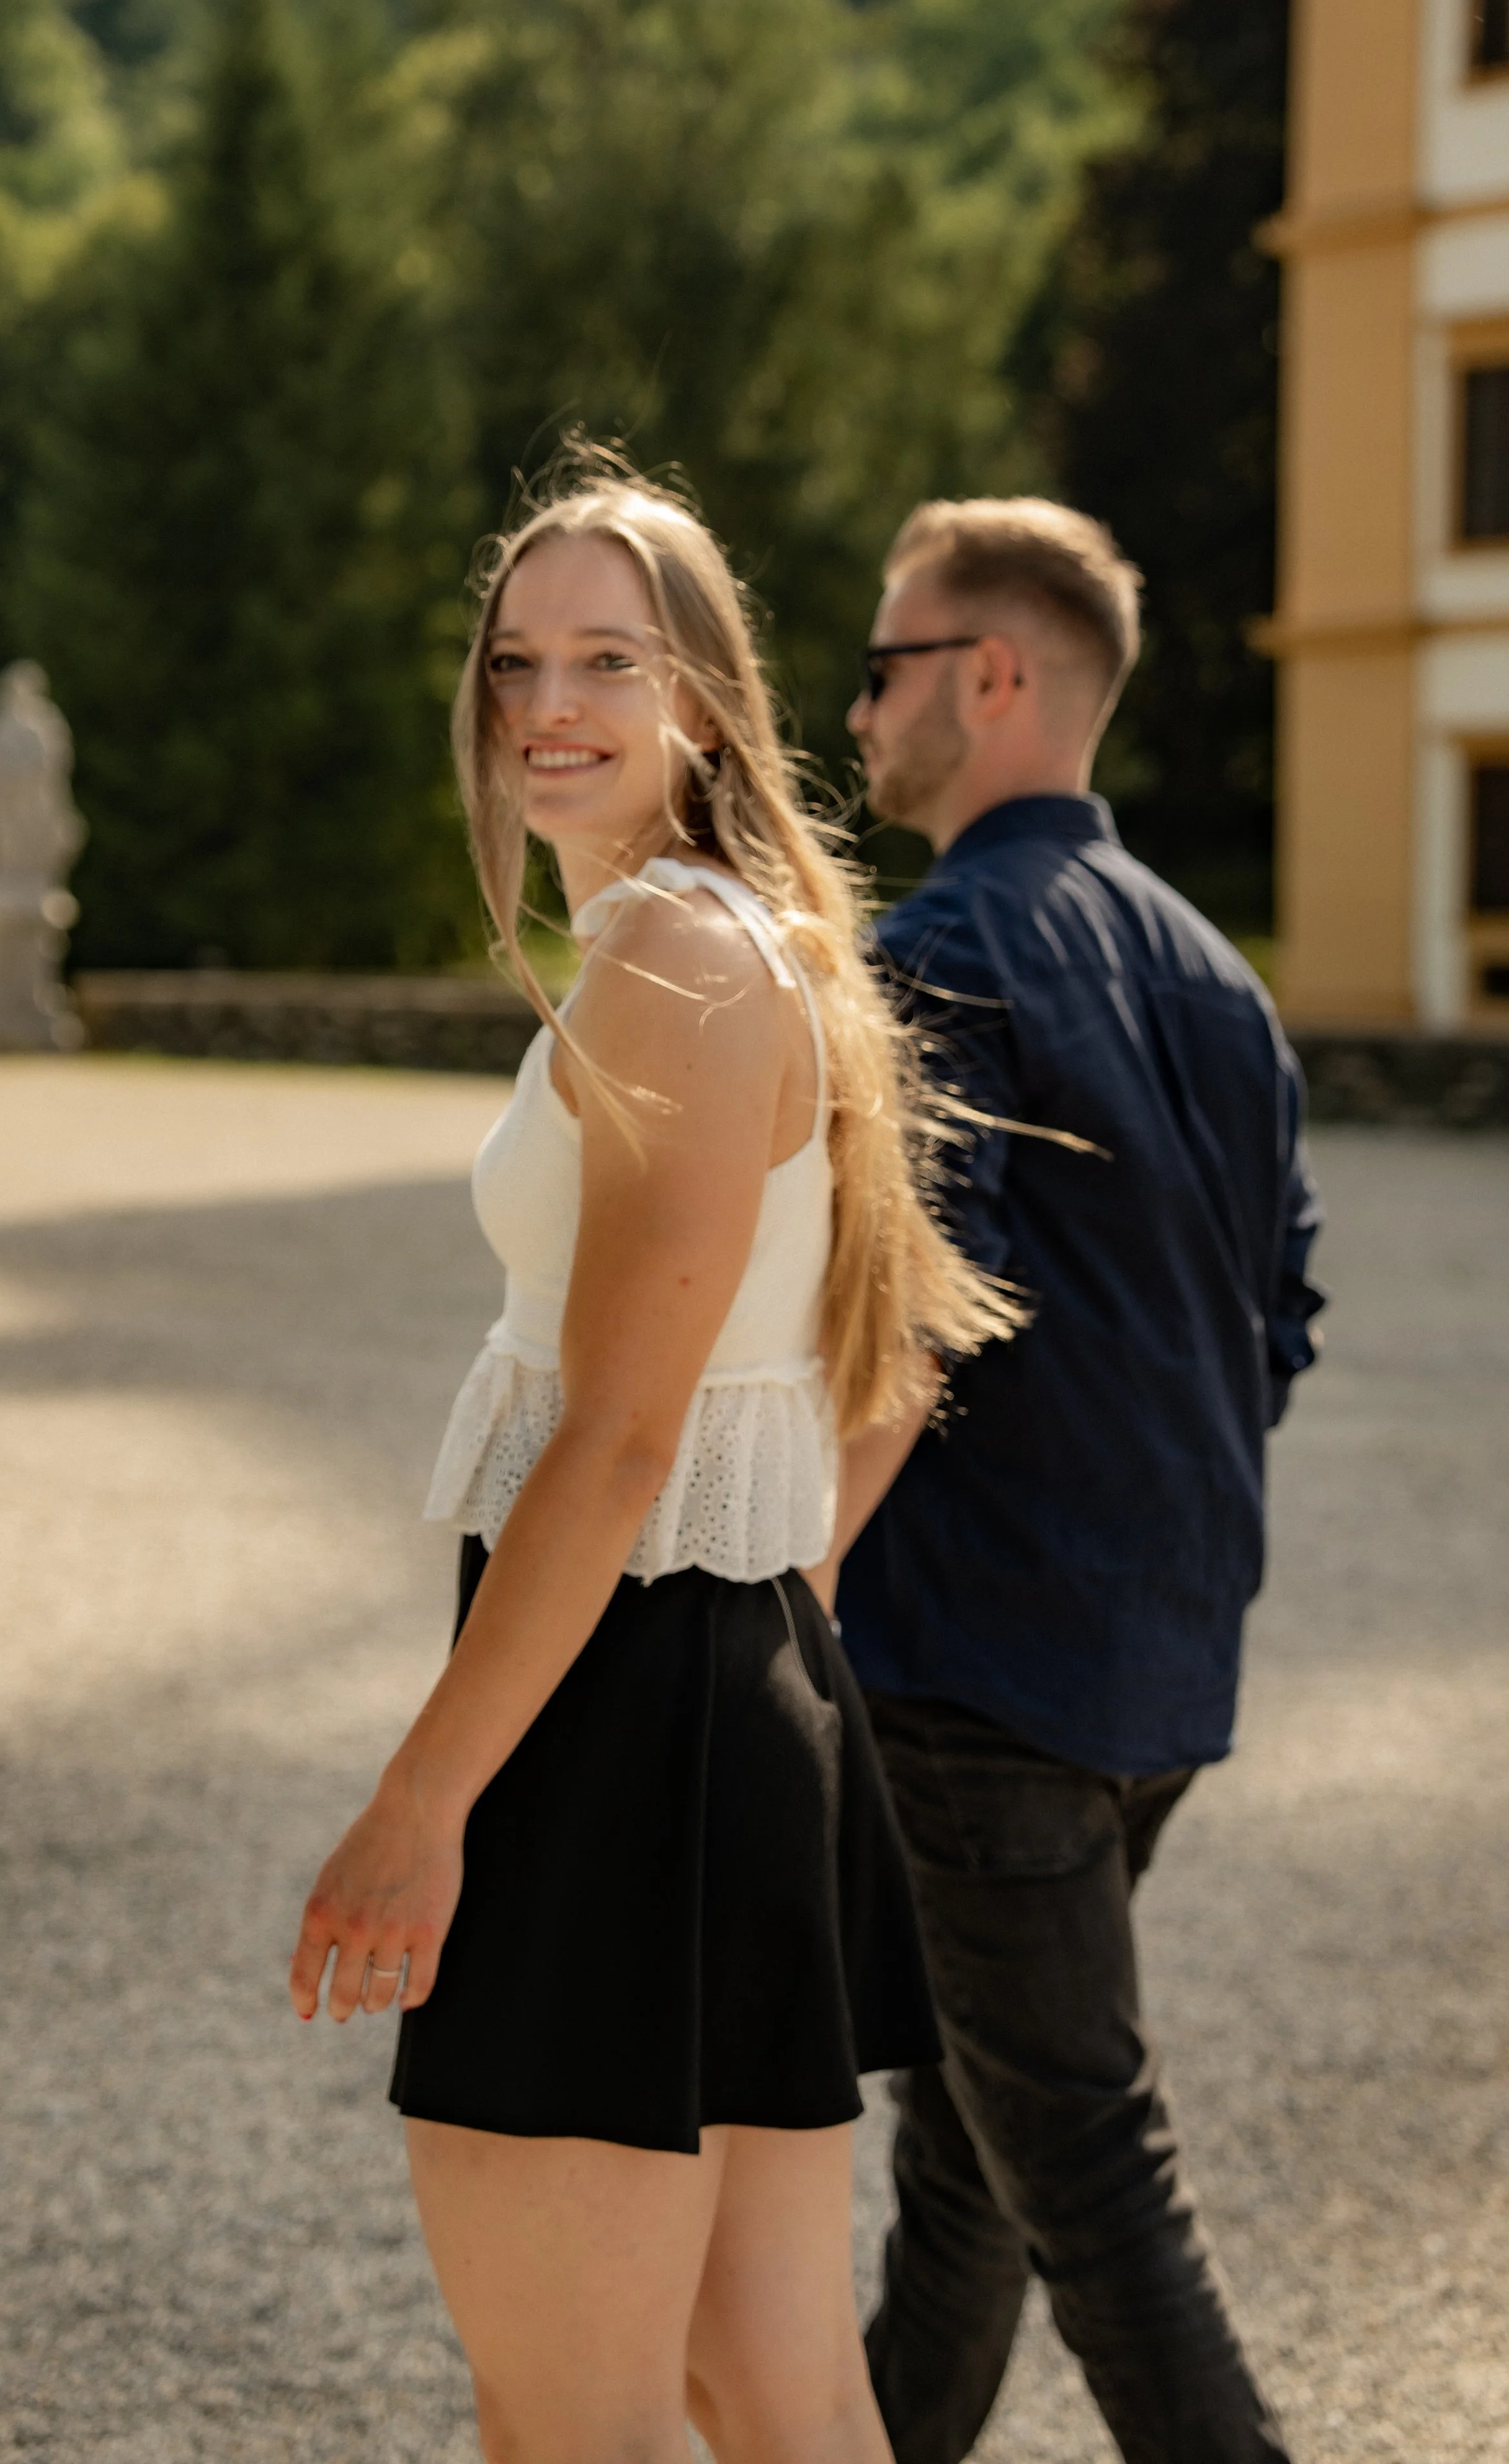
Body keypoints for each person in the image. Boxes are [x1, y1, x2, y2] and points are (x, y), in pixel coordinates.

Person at [288, 473, 1018, 2464]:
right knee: (768, 2393)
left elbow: (617, 1442)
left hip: (619, 1720)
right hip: (727, 1693)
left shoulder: (681, 963)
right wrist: (770, 1636)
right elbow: (879, 1364)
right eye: (515, 659)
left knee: (569, 2419)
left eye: (608, 659)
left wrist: (421, 1796)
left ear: (706, 694)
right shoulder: (749, 942)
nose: (547, 701)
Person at [832, 496, 1325, 2464]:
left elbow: (905, 1325)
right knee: (978, 2149)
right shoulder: (1221, 973)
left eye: (881, 668)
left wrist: (767, 1602)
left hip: (981, 1676)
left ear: (994, 675)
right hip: (1162, 1659)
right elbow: (1279, 1313)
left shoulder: (937, 946)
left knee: (1088, 2173)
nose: (854, 714)